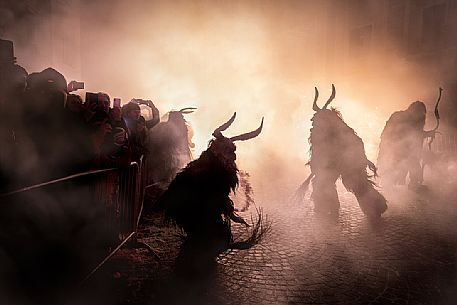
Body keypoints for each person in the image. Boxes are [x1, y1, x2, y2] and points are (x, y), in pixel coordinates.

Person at [296, 85, 387, 219]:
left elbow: (352, 146)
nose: (314, 126)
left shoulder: (336, 133)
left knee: (355, 183)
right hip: (339, 162)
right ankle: (328, 210)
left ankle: (373, 208)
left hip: (347, 161)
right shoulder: (331, 132)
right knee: (327, 183)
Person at [377, 92, 440, 190]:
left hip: (401, 148)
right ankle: (390, 187)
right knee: (394, 167)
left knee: (412, 162)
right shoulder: (400, 116)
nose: (421, 115)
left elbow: (414, 134)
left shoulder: (411, 120)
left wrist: (427, 134)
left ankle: (413, 184)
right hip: (392, 147)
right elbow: (406, 133)